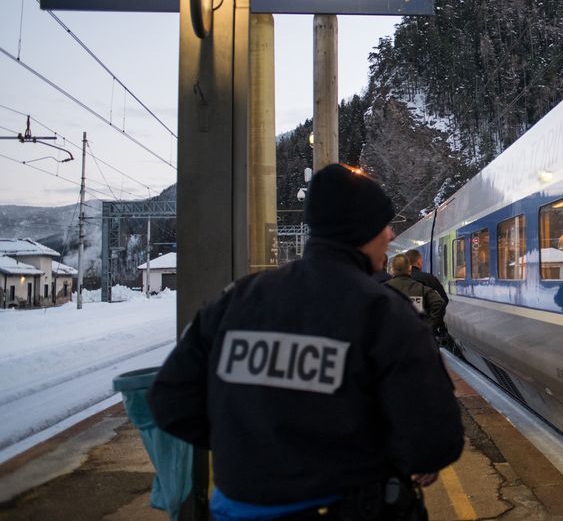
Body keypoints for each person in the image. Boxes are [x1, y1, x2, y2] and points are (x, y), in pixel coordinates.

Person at [147, 164, 463, 520]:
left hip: (237, 508)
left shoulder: (235, 301)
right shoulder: (385, 314)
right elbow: (435, 440)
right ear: (363, 230)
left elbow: (169, 401)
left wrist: (248, 447)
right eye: (384, 225)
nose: (390, 235)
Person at [386, 253, 445, 334]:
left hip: (392, 336)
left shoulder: (383, 288)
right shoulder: (420, 288)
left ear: (392, 269)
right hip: (416, 336)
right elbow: (439, 303)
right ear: (409, 268)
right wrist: (428, 326)